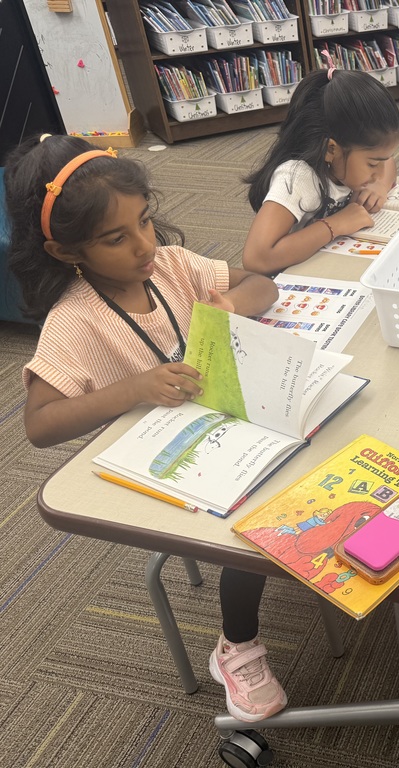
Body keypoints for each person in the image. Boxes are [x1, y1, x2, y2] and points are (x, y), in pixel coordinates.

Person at [4, 134, 286, 723]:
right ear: (64, 251)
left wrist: (230, 308)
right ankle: (236, 644)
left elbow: (264, 285)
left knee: (298, 464)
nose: (144, 247)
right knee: (251, 524)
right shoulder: (75, 319)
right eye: (116, 238)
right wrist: (131, 389)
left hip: (221, 433)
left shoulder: (174, 268)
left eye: (146, 222)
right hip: (157, 465)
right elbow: (40, 425)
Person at [242, 66, 399, 275]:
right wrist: (336, 224)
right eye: (372, 164)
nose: (378, 171)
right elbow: (257, 258)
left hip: (330, 264)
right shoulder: (297, 178)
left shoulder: (347, 162)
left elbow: (388, 163)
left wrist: (379, 185)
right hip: (289, 283)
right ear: (331, 149)